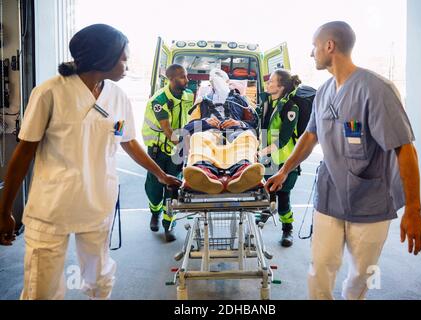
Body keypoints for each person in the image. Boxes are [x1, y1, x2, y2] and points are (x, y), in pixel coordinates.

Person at [0, 24, 181, 300]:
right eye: (123, 58)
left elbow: (127, 141)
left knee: (100, 280)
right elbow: (24, 153)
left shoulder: (117, 97)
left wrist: (160, 175)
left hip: (97, 203)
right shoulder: (50, 93)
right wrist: (4, 211)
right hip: (52, 206)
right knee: (42, 288)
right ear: (103, 58)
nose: (126, 65)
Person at [266, 21, 421, 300]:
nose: (311, 53)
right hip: (330, 196)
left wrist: (413, 209)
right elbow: (309, 137)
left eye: (314, 47)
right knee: (319, 269)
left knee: (361, 276)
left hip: (370, 200)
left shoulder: (377, 89)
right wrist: (283, 171)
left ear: (330, 46)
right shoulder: (324, 92)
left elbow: (405, 149)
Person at [183, 69, 263, 194]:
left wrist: (239, 123)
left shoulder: (241, 100)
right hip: (210, 133)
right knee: (197, 137)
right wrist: (205, 122)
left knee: (248, 135)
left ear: (227, 82)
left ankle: (243, 171)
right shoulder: (202, 102)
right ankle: (203, 172)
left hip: (236, 133)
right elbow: (187, 128)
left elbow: (255, 125)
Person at [142, 64, 194, 241]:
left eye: (186, 76)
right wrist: (192, 145)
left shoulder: (188, 96)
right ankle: (155, 213)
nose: (186, 80)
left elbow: (193, 119)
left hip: (177, 150)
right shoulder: (159, 101)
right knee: (155, 187)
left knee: (173, 186)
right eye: (182, 77)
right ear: (170, 79)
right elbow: (168, 132)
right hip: (159, 150)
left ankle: (168, 224)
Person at [258, 69, 304, 247]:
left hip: (285, 160)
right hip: (268, 158)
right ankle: (266, 212)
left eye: (271, 81)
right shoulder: (267, 103)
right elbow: (262, 128)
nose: (267, 84)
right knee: (267, 190)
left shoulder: (290, 108)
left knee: (283, 197)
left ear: (281, 86)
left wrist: (261, 152)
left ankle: (287, 229)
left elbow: (283, 139)